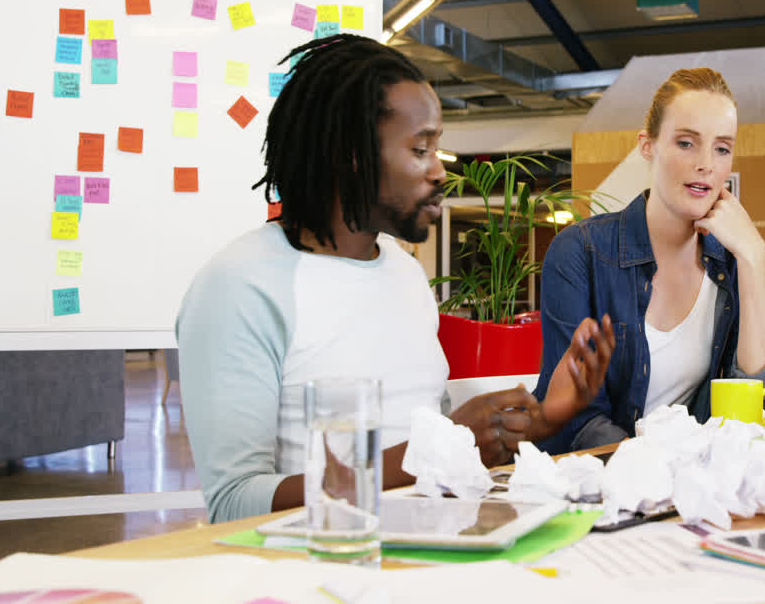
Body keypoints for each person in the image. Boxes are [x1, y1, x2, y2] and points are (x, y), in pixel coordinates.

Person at [177, 34, 615, 523]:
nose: (440, 172)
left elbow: (428, 434)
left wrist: (545, 416)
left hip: (431, 555)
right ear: (352, 156)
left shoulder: (404, 274)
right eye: (421, 149)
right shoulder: (240, 285)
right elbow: (235, 501)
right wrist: (436, 449)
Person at [533, 68, 765, 454]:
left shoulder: (730, 262)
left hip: (687, 489)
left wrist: (755, 257)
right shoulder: (579, 251)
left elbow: (759, 402)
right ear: (647, 146)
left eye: (722, 148)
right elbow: (577, 419)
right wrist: (660, 469)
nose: (706, 164)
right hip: (595, 483)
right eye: (686, 143)